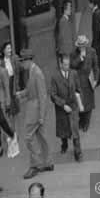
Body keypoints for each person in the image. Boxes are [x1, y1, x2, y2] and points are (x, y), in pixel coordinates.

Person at [17, 49, 54, 180]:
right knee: (42, 137)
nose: (22, 64)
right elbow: (29, 89)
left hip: (35, 111)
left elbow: (43, 95)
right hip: (37, 110)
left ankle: (35, 165)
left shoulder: (37, 73)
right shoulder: (32, 71)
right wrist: (20, 94)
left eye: (22, 61)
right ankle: (48, 162)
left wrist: (41, 116)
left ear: (28, 60)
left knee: (28, 137)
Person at [49, 53, 82, 161]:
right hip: (62, 108)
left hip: (73, 106)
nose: (67, 67)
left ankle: (78, 152)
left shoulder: (74, 74)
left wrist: (79, 102)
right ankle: (64, 144)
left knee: (74, 129)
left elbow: (78, 89)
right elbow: (53, 95)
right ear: (60, 64)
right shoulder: (55, 77)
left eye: (68, 64)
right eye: (65, 65)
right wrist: (63, 105)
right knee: (64, 128)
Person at [70, 35, 99, 132]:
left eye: (83, 45)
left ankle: (86, 122)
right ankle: (81, 121)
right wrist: (80, 59)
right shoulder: (74, 53)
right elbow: (72, 65)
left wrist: (95, 80)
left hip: (88, 80)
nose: (82, 47)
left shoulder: (92, 52)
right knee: (80, 102)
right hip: (78, 81)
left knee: (88, 103)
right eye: (80, 46)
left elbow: (96, 67)